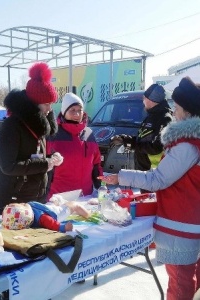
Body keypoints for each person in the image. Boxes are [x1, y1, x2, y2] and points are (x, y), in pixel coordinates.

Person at [103, 77, 200, 300]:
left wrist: (120, 177)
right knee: (188, 279)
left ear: (187, 112)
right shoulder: (191, 142)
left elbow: (158, 179)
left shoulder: (187, 145)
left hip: (181, 224)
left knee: (180, 283)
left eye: (177, 108)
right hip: (188, 221)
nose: (174, 113)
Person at [0, 62, 63, 216]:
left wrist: (51, 158)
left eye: (51, 104)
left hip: (34, 198)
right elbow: (9, 166)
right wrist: (46, 163)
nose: (50, 109)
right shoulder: (12, 126)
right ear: (33, 105)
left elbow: (32, 157)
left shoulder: (39, 127)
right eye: (46, 104)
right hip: (12, 203)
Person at [46, 92, 103, 199]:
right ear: (64, 112)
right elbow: (44, 165)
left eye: (79, 110)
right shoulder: (53, 134)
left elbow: (96, 164)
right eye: (72, 110)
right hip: (59, 198)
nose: (77, 114)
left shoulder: (89, 134)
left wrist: (100, 186)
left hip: (85, 197)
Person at [111, 84, 173, 171]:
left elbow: (156, 148)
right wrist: (125, 139)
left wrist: (132, 144)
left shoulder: (165, 119)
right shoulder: (151, 116)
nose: (143, 100)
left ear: (151, 100)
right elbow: (143, 139)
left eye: (144, 98)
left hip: (155, 173)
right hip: (143, 170)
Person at [2, 200, 90, 232]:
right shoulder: (42, 218)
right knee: (73, 205)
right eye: (21, 204)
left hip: (47, 208)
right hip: (56, 214)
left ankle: (58, 202)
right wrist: (63, 227)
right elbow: (52, 224)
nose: (21, 203)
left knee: (55, 203)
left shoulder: (19, 219)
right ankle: (87, 214)